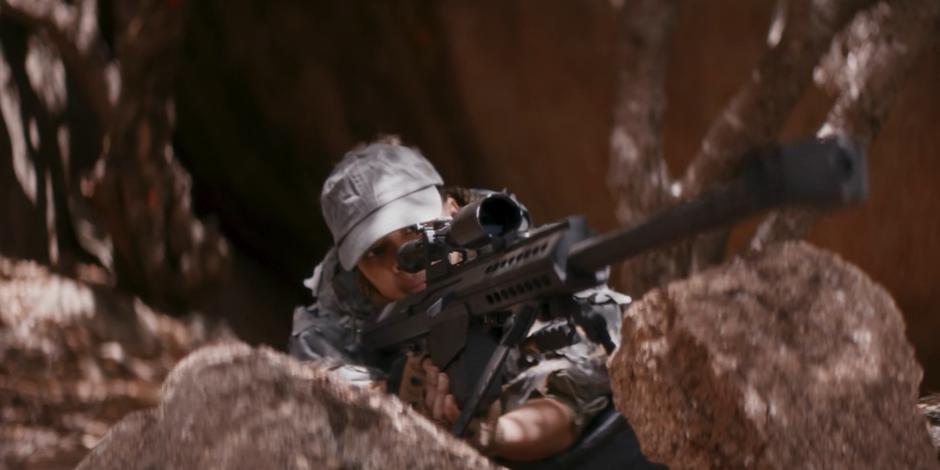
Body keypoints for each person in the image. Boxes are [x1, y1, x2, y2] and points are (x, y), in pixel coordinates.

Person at [289, 137, 629, 463]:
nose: (403, 263)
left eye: (414, 230)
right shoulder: (331, 326)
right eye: (375, 251)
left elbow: (579, 388)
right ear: (357, 269)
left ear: (453, 210)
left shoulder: (515, 266)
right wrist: (392, 402)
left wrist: (490, 433)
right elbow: (324, 418)